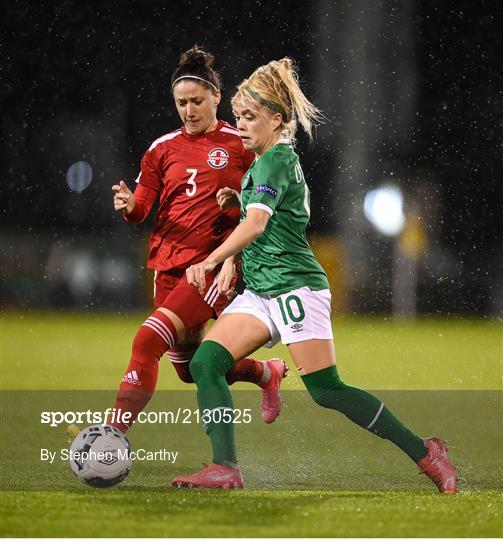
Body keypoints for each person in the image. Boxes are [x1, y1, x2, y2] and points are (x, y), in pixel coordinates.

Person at [170, 58, 458, 493]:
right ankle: (224, 467)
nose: (241, 125)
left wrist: (213, 259)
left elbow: (258, 225)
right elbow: (263, 218)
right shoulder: (263, 162)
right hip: (263, 290)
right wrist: (237, 206)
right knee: (206, 363)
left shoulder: (273, 162)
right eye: (238, 117)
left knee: (327, 391)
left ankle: (425, 452)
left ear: (277, 119)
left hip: (294, 288)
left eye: (250, 117)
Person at [107, 47, 288, 433]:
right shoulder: (161, 149)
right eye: (181, 102)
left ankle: (110, 436)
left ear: (217, 98)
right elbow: (142, 209)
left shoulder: (241, 143)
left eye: (196, 101)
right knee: (190, 369)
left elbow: (263, 205)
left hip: (208, 268)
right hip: (166, 268)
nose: (189, 110)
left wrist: (237, 211)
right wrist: (129, 206)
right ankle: (265, 373)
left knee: (146, 342)